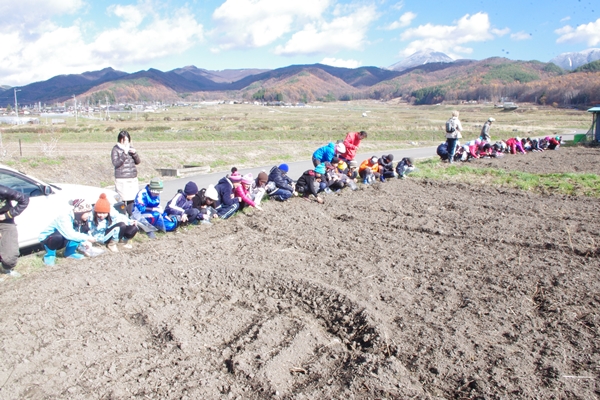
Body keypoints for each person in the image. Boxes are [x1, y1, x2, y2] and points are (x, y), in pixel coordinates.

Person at [39, 199, 96, 266]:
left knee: (80, 234)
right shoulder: (64, 217)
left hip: (65, 237)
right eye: (88, 213)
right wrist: (87, 238)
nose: (89, 215)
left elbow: (79, 233)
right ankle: (50, 255)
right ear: (81, 212)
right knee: (58, 237)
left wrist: (84, 242)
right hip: (48, 239)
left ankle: (70, 253)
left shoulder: (79, 219)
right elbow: (70, 234)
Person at [0, 185, 29, 278]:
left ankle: (6, 268)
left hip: (5, 221)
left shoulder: (3, 190)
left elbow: (24, 199)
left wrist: (7, 215)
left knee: (11, 254)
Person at [111, 131, 141, 213]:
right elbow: (116, 163)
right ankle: (122, 217)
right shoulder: (116, 149)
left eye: (128, 140)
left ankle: (131, 217)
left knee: (132, 200)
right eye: (124, 140)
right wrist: (124, 153)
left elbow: (138, 162)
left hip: (132, 178)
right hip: (122, 179)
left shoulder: (130, 148)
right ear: (120, 140)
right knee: (122, 200)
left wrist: (134, 153)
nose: (126, 142)